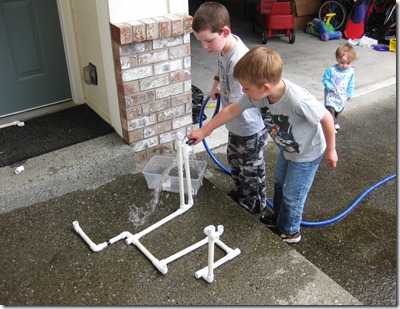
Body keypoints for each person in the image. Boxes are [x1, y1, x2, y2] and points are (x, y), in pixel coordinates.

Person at [188, 47, 338, 243]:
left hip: (307, 154)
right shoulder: (255, 94)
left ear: (265, 88)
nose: (243, 91)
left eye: (246, 88)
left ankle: (290, 231)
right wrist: (204, 130)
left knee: (293, 194)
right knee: (278, 183)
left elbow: (326, 118)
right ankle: (279, 218)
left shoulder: (297, 99)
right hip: (289, 149)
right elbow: (231, 111)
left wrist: (332, 150)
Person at [191, 2, 268, 214]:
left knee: (250, 169)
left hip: (249, 127)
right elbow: (219, 62)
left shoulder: (239, 59)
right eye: (201, 42)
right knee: (235, 160)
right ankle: (241, 192)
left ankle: (253, 205)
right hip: (236, 125)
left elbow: (234, 107)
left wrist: (205, 129)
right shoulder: (225, 45)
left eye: (208, 41)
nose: (205, 47)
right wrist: (216, 83)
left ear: (225, 32)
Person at [322, 43, 356, 133]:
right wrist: (329, 87)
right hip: (331, 95)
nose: (344, 66)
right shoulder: (331, 70)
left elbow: (351, 83)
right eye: (342, 63)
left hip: (341, 95)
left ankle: (335, 120)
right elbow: (325, 79)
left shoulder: (351, 72)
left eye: (348, 63)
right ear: (337, 59)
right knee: (330, 110)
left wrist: (349, 93)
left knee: (339, 109)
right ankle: (330, 125)